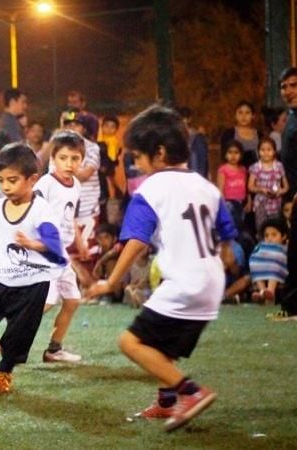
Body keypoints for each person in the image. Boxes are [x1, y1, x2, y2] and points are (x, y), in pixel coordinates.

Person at [86, 105, 237, 432]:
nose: (136, 166)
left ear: (159, 152)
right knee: (157, 343)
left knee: (131, 343)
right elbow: (226, 231)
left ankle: (191, 392)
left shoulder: (150, 190)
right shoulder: (207, 186)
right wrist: (226, 254)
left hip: (184, 283)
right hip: (211, 283)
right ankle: (167, 400)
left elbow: (136, 242)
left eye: (137, 158)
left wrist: (111, 281)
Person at [0, 143, 66, 394]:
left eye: (12, 180)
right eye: (1, 180)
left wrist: (34, 244)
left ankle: (4, 371)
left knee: (18, 335)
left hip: (32, 284)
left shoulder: (41, 210)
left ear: (32, 179)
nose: (5, 186)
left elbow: (54, 244)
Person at [33, 130, 89, 363]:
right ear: (53, 159)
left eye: (75, 159)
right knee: (46, 302)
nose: (69, 163)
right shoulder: (45, 183)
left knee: (73, 300)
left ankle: (54, 349)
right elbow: (32, 213)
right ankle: (8, 337)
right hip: (46, 251)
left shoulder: (75, 184)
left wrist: (79, 241)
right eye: (64, 158)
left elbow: (70, 216)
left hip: (61, 252)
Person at [270, 67, 297, 320]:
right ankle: (291, 307)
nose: (288, 91)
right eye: (284, 86)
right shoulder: (291, 116)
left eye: (293, 85)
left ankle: (292, 307)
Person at [59, 110, 101, 248]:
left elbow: (85, 175)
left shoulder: (92, 148)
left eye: (75, 124)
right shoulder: (58, 150)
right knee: (69, 257)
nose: (71, 128)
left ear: (83, 128)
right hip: (65, 212)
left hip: (88, 211)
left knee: (89, 252)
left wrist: (64, 169)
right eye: (68, 125)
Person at [249, 218, 289, 305]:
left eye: (274, 235)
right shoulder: (261, 246)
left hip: (277, 268)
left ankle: (270, 293)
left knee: (274, 263)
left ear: (284, 236)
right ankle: (262, 292)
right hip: (263, 267)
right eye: (266, 236)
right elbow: (255, 255)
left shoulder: (285, 247)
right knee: (255, 263)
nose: (269, 238)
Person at [220, 100, 264, 167]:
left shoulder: (260, 135)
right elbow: (224, 157)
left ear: (253, 116)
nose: (244, 116)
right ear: (235, 115)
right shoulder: (228, 134)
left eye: (247, 113)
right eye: (240, 112)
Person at [216, 140, 248, 231]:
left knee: (240, 225)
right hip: (229, 202)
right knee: (232, 225)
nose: (233, 156)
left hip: (241, 202)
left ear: (241, 155)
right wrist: (222, 204)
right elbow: (220, 188)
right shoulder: (223, 169)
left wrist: (248, 200)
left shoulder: (243, 169)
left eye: (236, 153)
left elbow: (245, 186)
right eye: (230, 152)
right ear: (225, 154)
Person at [176, 107, 209, 179]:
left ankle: (198, 178)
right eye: (182, 118)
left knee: (198, 142)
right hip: (182, 162)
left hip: (194, 163)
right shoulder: (175, 134)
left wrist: (201, 135)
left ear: (190, 119)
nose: (184, 120)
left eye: (186, 118)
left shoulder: (196, 135)